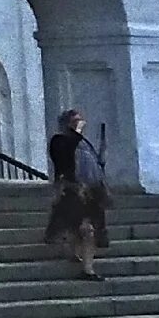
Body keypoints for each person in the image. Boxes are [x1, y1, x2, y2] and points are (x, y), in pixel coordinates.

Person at [44, 106, 107, 279]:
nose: (79, 124)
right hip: (72, 190)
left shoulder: (83, 143)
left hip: (89, 191)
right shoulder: (60, 141)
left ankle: (88, 268)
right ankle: (79, 259)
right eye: (75, 121)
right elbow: (62, 163)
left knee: (87, 229)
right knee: (79, 227)